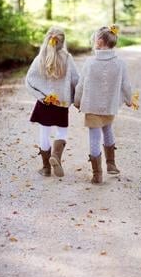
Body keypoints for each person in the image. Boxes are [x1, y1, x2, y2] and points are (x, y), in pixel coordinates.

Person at [74, 25, 132, 184]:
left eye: (94, 39)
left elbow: (81, 85)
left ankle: (97, 174)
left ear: (99, 42)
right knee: (107, 129)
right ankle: (111, 164)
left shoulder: (90, 62)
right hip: (109, 105)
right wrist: (129, 99)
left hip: (92, 105)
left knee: (94, 137)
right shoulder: (120, 63)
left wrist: (77, 102)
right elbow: (126, 85)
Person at [25, 27, 79, 177]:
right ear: (63, 42)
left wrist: (41, 96)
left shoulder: (40, 58)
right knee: (62, 131)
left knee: (44, 133)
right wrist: (77, 99)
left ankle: (46, 167)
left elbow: (29, 80)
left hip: (45, 103)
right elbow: (76, 81)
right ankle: (56, 156)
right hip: (61, 103)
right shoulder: (67, 58)